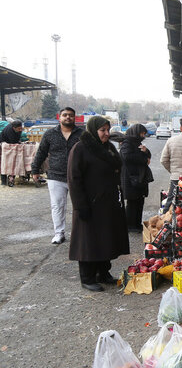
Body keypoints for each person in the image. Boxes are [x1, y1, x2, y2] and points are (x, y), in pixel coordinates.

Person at [67, 116, 130, 292]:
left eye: (108, 130)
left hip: (108, 204)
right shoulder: (80, 149)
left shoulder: (108, 148)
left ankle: (103, 273)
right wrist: (81, 206)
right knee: (88, 241)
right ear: (93, 130)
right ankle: (87, 277)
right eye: (103, 130)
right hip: (90, 204)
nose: (106, 134)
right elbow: (74, 179)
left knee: (106, 239)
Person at [31, 107, 83, 244]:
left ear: (75, 118)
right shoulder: (49, 134)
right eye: (65, 115)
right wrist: (35, 170)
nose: (68, 117)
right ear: (59, 117)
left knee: (80, 205)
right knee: (57, 206)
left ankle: (81, 233)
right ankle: (59, 233)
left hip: (78, 176)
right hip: (55, 176)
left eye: (71, 115)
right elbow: (41, 153)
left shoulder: (82, 134)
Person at [120, 124, 152, 232]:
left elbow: (147, 154)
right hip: (131, 177)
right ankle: (130, 225)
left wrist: (146, 152)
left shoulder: (136, 143)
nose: (143, 136)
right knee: (132, 202)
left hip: (139, 177)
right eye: (142, 133)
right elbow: (126, 157)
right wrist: (143, 159)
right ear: (136, 132)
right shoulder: (127, 142)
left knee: (140, 200)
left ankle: (137, 223)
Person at [1, 120, 24, 186]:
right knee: (4, 163)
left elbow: (18, 138)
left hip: (12, 145)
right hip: (5, 146)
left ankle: (12, 177)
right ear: (14, 128)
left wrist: (19, 142)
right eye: (19, 129)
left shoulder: (18, 130)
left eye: (21, 128)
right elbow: (13, 141)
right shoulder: (9, 130)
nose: (20, 130)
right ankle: (3, 181)